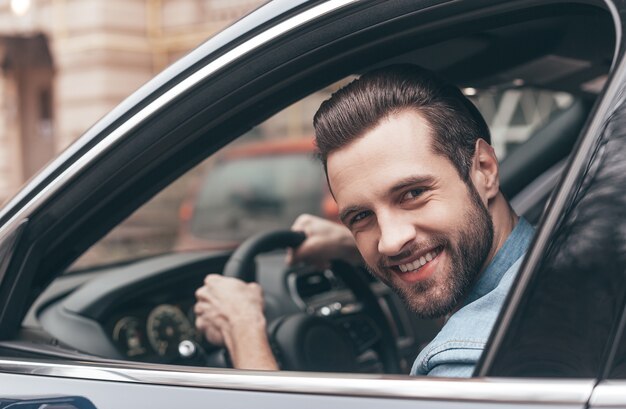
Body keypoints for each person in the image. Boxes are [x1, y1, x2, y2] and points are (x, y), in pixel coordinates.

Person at [193, 64, 534, 376]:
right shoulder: (553, 249)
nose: (389, 241)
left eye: (413, 194)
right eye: (361, 216)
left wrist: (243, 330)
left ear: (484, 171)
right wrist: (351, 248)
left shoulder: (469, 362)